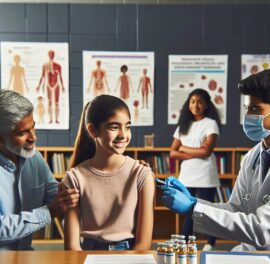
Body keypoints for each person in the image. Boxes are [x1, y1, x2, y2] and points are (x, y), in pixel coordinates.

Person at [161, 68, 270, 251]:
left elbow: (262, 229)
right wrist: (195, 202)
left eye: (255, 109)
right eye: (247, 108)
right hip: (250, 255)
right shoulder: (253, 156)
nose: (248, 116)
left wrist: (193, 208)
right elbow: (236, 209)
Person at [63, 94, 155, 251]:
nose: (123, 135)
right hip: (86, 256)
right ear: (93, 130)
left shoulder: (142, 174)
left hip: (130, 256)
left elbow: (143, 245)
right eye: (114, 127)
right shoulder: (74, 178)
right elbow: (72, 247)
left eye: (127, 127)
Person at [0, 89, 79, 251]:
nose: (33, 137)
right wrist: (48, 213)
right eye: (22, 133)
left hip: (25, 259)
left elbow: (56, 196)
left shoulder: (34, 158)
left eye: (33, 128)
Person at [170, 88, 221, 251]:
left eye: (200, 102)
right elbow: (172, 153)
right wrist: (196, 152)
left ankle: (211, 242)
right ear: (188, 104)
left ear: (206, 105)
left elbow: (207, 151)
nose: (196, 105)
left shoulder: (210, 123)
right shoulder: (182, 126)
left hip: (206, 174)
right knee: (189, 210)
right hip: (187, 175)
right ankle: (183, 242)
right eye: (192, 101)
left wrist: (183, 148)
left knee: (207, 209)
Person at [36, 50, 65, 124]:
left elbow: (60, 76)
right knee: (49, 102)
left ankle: (57, 119)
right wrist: (39, 86)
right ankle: (51, 119)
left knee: (56, 103)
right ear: (48, 55)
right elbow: (42, 76)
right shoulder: (45, 66)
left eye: (52, 54)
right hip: (48, 85)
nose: (51, 55)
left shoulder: (58, 66)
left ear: (54, 55)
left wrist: (62, 86)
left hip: (56, 84)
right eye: (50, 54)